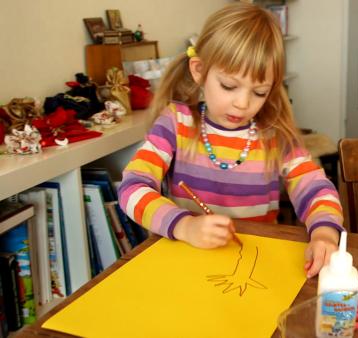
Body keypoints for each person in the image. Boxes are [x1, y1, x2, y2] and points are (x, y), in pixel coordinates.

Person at [117, 2, 344, 279]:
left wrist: (324, 232)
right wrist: (184, 226)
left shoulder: (274, 134)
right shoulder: (176, 122)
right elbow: (132, 188)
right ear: (199, 70)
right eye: (229, 86)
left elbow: (315, 188)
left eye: (259, 92)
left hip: (253, 266)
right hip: (186, 261)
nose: (242, 103)